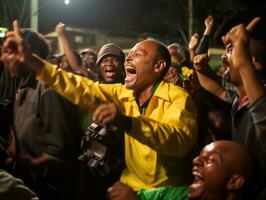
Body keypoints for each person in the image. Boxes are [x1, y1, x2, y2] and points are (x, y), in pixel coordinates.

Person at [6, 21, 198, 192]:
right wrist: (36, 63)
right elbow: (80, 87)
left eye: (137, 55)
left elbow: (179, 141)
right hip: (131, 185)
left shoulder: (178, 96)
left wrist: (129, 123)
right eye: (128, 55)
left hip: (169, 191)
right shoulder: (122, 92)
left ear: (158, 66)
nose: (128, 59)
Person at [2, 28, 83, 200]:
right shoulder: (22, 82)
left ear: (33, 54)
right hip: (27, 178)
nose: (3, 58)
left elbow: (61, 149)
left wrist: (31, 163)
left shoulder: (49, 88)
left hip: (48, 185)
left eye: (11, 52)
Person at [193, 17, 266, 199]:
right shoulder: (238, 99)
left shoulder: (260, 105)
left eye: (231, 51)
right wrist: (200, 69)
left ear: (252, 62)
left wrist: (242, 61)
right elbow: (215, 89)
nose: (224, 56)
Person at [107, 140, 255, 200]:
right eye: (200, 155)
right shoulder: (182, 195)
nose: (196, 161)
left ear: (234, 182)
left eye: (210, 160)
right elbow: (140, 196)